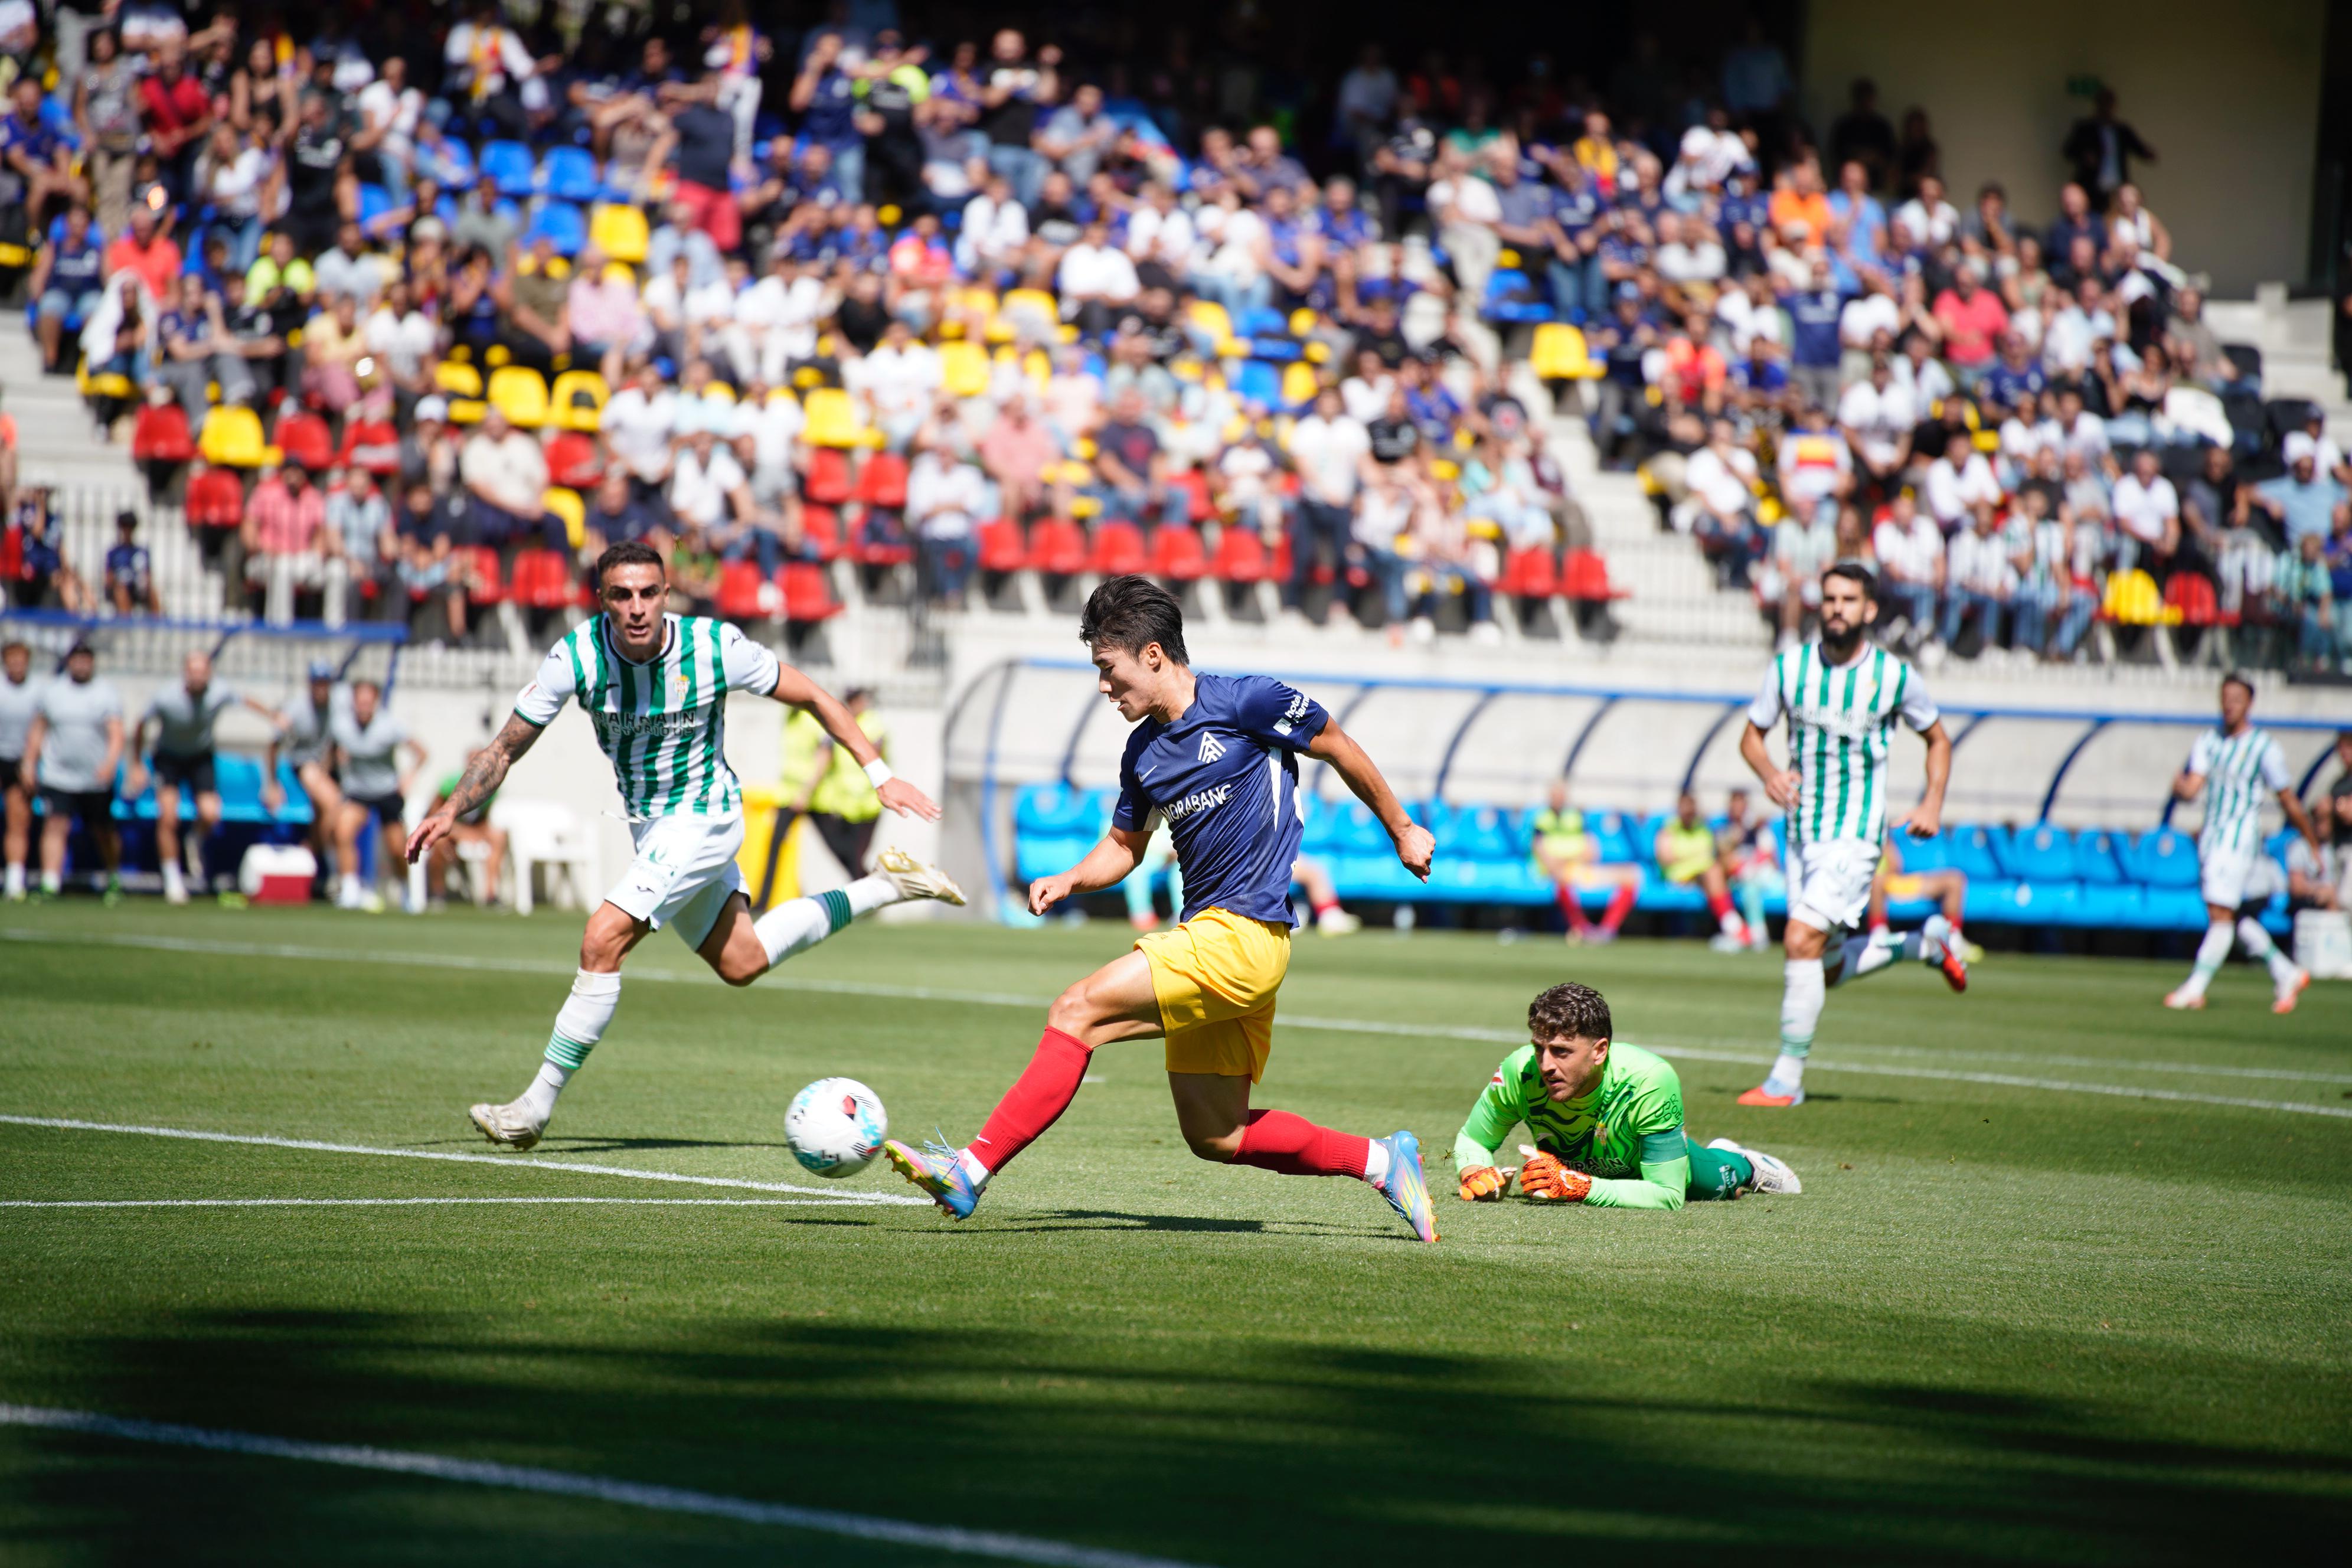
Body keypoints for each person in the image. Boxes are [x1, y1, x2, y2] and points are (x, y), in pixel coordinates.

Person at [880, 575, 1441, 1241]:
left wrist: (1402, 827)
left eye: (1107, 668)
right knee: (1218, 1134)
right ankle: (1384, 1160)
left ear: (1152, 655)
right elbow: (1124, 847)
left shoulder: (1248, 701)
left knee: (1075, 1010)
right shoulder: (1143, 753)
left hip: (1243, 936)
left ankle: (969, 1169)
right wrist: (1069, 878)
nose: (1102, 687)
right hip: (1214, 939)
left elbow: (1338, 744)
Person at [409, 541, 965, 1149]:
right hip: (653, 828)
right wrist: (451, 809)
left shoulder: (714, 647)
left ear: (667, 594)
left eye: (649, 592)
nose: (637, 607)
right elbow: (506, 746)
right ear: (603, 601)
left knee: (602, 938)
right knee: (742, 962)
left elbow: (812, 695)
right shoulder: (577, 656)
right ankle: (887, 886)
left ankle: (534, 1107)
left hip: (706, 817)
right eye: (622, 595)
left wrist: (880, 774)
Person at [1737, 564, 1966, 1109]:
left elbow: (1938, 739)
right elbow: (1752, 736)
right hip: (1800, 834)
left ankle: (1786, 1081)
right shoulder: (1790, 668)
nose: (1837, 607)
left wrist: (1932, 801)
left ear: (1868, 610)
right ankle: (1924, 943)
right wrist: (1769, 773)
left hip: (1856, 837)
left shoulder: (1894, 676)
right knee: (1826, 965)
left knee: (1799, 940)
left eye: (1849, 600)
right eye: (1830, 598)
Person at [1454, 981, 1799, 1208]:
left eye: (1561, 1051)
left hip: (1649, 1172)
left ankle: (1744, 1162)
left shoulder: (1650, 1079)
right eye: (1539, 1048)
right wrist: (1476, 1171)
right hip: (1582, 1169)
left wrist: (1581, 1187)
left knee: (1718, 1180)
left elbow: (1667, 1195)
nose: (1545, 1065)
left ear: (1600, 1051)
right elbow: (1473, 1139)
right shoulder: (1520, 1071)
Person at [2162, 674, 2321, 1014]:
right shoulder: (2209, 740)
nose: (2229, 704)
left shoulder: (2265, 747)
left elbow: (2288, 799)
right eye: (2225, 697)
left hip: (2239, 841)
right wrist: (2179, 787)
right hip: (2212, 838)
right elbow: (2192, 789)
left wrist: (2311, 841)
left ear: (2250, 703)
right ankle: (2286, 972)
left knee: (2220, 915)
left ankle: (2196, 987)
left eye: (2237, 698)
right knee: (2231, 916)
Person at [125, 649, 269, 905]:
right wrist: (137, 764)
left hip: (200, 757)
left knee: (210, 813)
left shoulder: (219, 692)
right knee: (168, 816)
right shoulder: (167, 697)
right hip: (168, 757)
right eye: (193, 671)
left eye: (203, 671)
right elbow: (140, 725)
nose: (198, 677)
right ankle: (172, 878)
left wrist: (275, 716)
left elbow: (246, 700)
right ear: (185, 673)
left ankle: (195, 839)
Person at [21, 641, 124, 903]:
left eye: (86, 659)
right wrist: (30, 763)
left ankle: (113, 877)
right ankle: (50, 883)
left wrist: (111, 762)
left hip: (95, 778)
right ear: (69, 662)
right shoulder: (53, 692)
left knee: (103, 830)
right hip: (59, 775)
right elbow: (38, 730)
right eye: (76, 659)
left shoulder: (105, 693)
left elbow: (116, 733)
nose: (81, 664)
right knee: (55, 825)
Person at [329, 678, 429, 913]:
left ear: (375, 702)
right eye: (359, 701)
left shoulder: (390, 726)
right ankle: (350, 890)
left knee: (398, 848)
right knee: (343, 831)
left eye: (368, 701)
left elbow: (422, 753)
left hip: (387, 792)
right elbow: (331, 752)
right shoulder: (341, 726)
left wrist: (408, 778)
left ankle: (405, 892)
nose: (363, 706)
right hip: (358, 792)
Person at [264, 662, 347, 901]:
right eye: (317, 682)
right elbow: (273, 744)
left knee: (323, 817)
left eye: (325, 682)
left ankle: (310, 860)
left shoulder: (338, 703)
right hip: (304, 764)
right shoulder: (296, 708)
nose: (321, 688)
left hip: (327, 765)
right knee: (334, 805)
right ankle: (334, 874)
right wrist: (271, 784)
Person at [785, 687, 888, 878]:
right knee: (849, 860)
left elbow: (876, 754)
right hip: (846, 806)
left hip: (868, 805)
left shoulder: (873, 723)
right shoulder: (842, 722)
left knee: (855, 860)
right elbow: (826, 756)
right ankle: (871, 892)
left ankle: (870, 895)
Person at [1530, 778, 1642, 942]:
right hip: (1556, 873)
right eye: (1555, 795)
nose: (1558, 798)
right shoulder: (1541, 819)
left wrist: (1569, 859)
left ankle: (1607, 930)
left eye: (1561, 795)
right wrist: (1566, 861)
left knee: (1631, 876)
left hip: (1578, 869)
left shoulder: (1576, 817)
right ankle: (1581, 927)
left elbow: (1593, 852)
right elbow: (1545, 856)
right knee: (1562, 878)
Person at [1654, 790, 1750, 950]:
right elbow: (1664, 858)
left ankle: (1737, 929)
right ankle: (1736, 929)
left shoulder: (1703, 829)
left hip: (1706, 874)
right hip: (1682, 878)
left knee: (1720, 868)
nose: (1689, 812)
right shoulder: (1669, 830)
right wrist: (1694, 858)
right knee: (1712, 872)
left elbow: (1716, 852)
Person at [424, 751, 509, 907]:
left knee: (498, 836)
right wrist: (460, 831)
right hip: (449, 829)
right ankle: (438, 894)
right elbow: (434, 815)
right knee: (437, 842)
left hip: (470, 829)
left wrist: (477, 834)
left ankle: (491, 894)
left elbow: (482, 818)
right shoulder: (451, 784)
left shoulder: (492, 787)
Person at [0, 640, 34, 901]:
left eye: (21, 659)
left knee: (17, 821)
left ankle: (14, 880)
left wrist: (31, 763)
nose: (16, 664)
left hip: (20, 762)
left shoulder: (38, 690)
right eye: (12, 659)